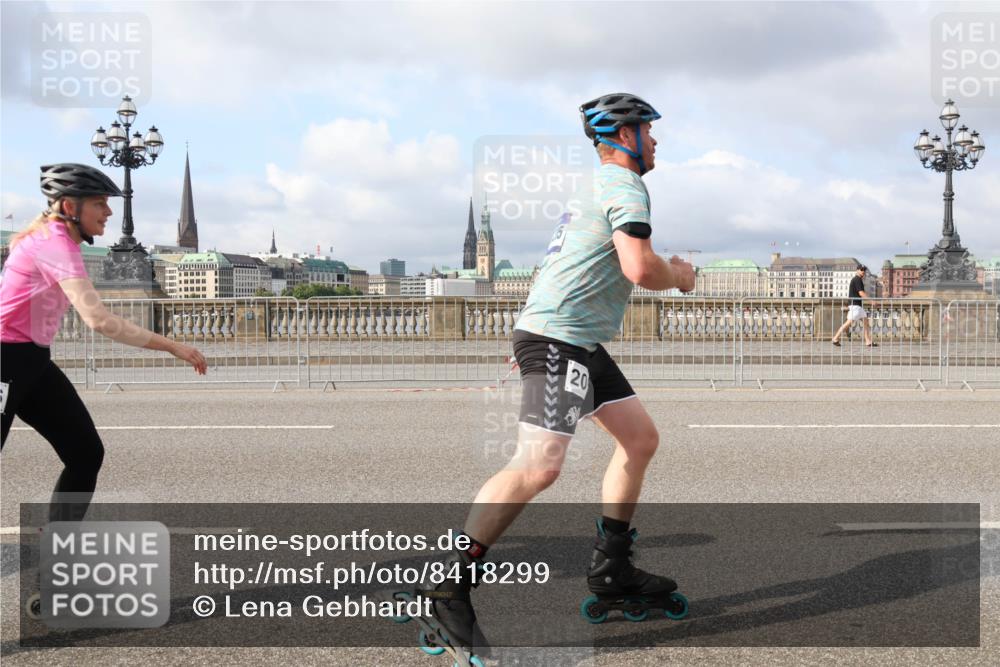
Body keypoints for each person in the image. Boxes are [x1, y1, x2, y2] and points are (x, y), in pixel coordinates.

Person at [403, 94, 696, 663]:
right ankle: (446, 588)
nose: (656, 139)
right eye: (649, 130)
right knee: (538, 466)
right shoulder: (624, 184)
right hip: (558, 339)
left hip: (576, 339)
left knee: (640, 439)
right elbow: (640, 267)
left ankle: (612, 566)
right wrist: (681, 275)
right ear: (625, 136)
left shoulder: (600, 187)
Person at [1, 163, 207, 523]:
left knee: (84, 453)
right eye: (99, 203)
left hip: (31, 361)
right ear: (70, 207)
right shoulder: (54, 243)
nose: (109, 211)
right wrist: (173, 346)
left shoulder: (54, 240)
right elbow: (99, 319)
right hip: (5, 359)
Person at [832, 264, 876, 347]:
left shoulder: (858, 279)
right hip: (855, 306)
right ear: (857, 270)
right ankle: (835, 338)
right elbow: (861, 293)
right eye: (861, 269)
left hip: (858, 306)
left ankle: (868, 341)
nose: (863, 271)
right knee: (848, 323)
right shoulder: (857, 279)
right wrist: (871, 301)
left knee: (866, 321)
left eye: (864, 270)